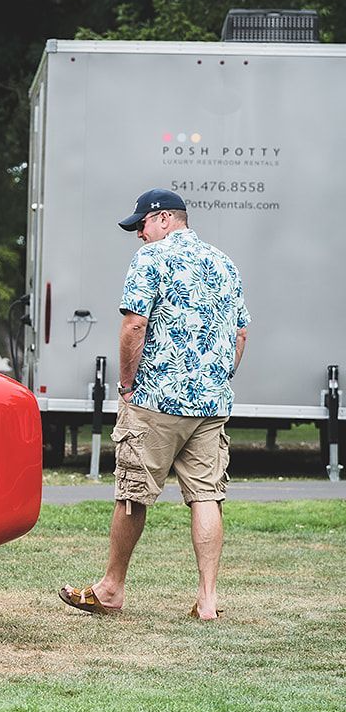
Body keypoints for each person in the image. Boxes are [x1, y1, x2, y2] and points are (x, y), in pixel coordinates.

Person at [60, 189, 249, 621]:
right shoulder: (225, 263)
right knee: (206, 496)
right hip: (210, 403)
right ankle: (207, 601)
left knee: (132, 495)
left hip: (155, 399)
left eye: (141, 225)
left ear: (164, 219)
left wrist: (127, 385)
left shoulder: (151, 259)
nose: (139, 235)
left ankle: (111, 589)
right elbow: (240, 334)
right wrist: (218, 379)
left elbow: (135, 324)